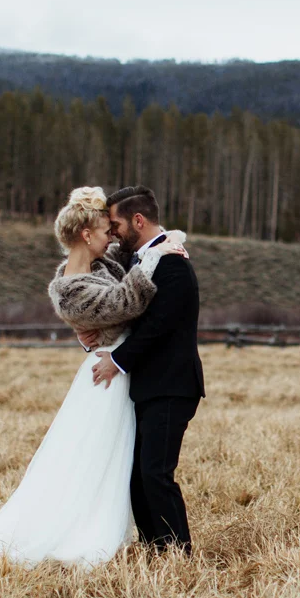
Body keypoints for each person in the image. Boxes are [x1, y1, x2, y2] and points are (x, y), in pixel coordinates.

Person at [0, 186, 186, 569]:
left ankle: (152, 539)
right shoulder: (69, 288)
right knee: (93, 458)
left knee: (122, 460)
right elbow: (126, 302)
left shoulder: (103, 264)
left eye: (113, 230)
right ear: (85, 235)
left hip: (123, 367)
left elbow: (133, 249)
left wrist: (163, 241)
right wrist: (158, 253)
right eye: (106, 231)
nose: (113, 236)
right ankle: (78, 530)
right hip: (107, 377)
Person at [80, 185, 205, 555]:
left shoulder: (172, 263)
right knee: (137, 476)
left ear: (138, 220)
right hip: (150, 384)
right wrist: (96, 334)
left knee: (155, 473)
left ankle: (178, 552)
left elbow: (160, 325)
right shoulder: (143, 261)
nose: (114, 231)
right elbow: (131, 317)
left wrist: (117, 362)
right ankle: (154, 547)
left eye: (116, 223)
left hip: (171, 385)